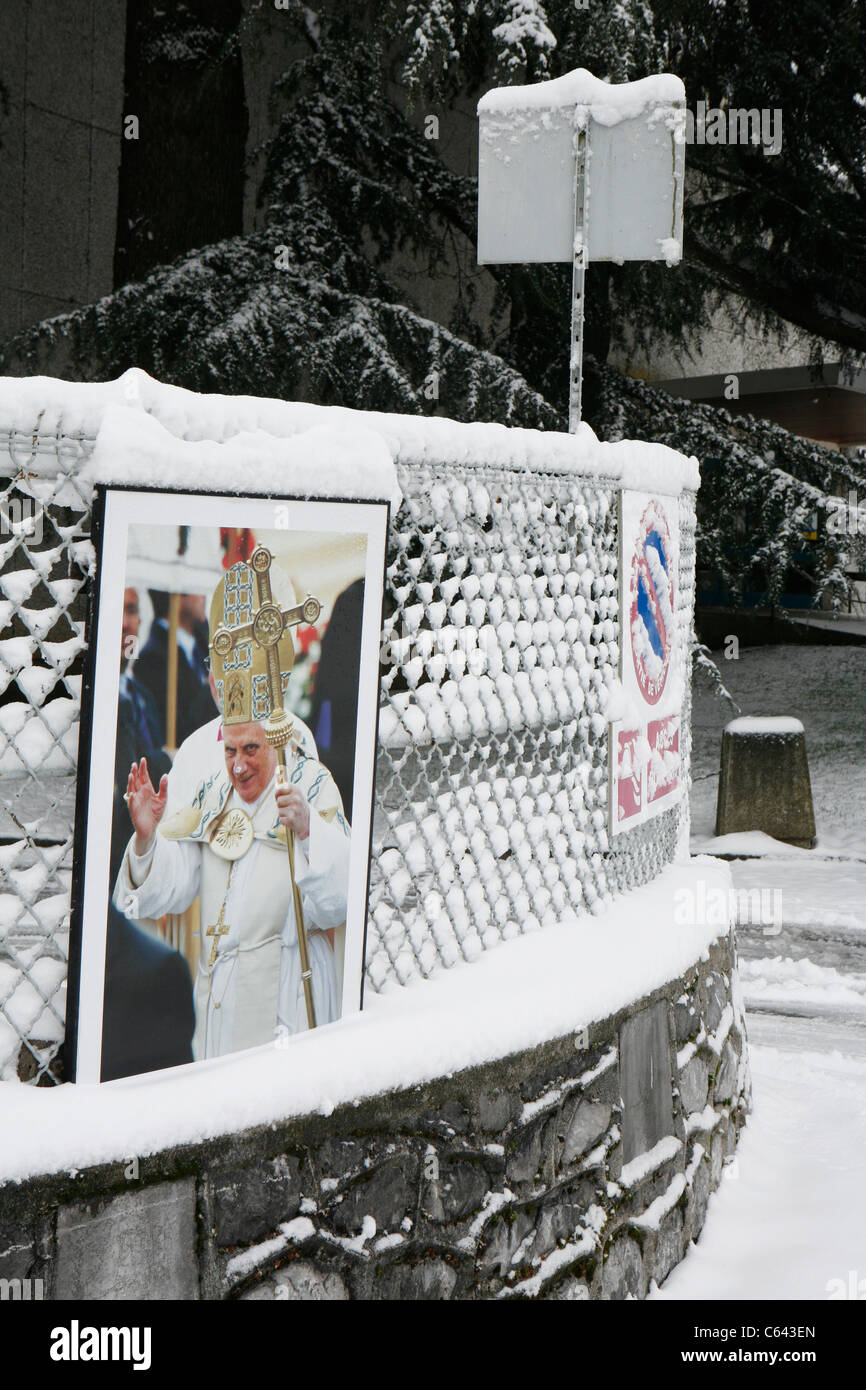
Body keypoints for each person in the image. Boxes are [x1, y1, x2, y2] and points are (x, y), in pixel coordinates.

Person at [113, 553, 352, 1061]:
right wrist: (149, 840)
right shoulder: (200, 755)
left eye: (251, 752)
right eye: (231, 751)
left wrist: (309, 832)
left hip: (286, 984)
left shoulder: (301, 752)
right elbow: (173, 889)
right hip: (216, 988)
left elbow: (339, 900)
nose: (238, 765)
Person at [134, 590, 216, 747]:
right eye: (196, 589)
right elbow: (176, 729)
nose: (203, 596)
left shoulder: (205, 642)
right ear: (177, 596)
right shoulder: (151, 660)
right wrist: (214, 685)